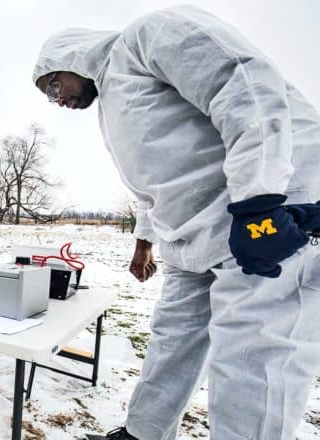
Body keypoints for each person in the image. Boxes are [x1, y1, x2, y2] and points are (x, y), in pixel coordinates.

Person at [33, 5, 320, 440]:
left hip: (271, 214)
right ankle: (143, 433)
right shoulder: (112, 106)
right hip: (196, 240)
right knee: (171, 343)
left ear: (70, 58)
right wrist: (143, 243)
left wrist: (260, 202)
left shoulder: (148, 36)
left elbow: (243, 84)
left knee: (252, 359)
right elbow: (154, 185)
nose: (59, 101)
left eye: (54, 87)